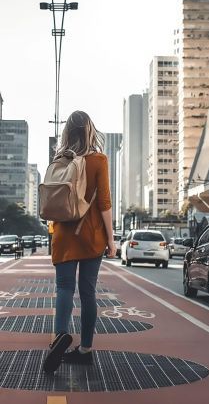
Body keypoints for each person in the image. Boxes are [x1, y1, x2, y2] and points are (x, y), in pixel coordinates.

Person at [42, 111, 116, 373]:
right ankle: (85, 350)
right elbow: (104, 203)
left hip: (63, 235)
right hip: (91, 236)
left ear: (67, 133)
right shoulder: (99, 160)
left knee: (63, 289)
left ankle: (59, 338)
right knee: (87, 293)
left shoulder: (59, 159)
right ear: (90, 131)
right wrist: (111, 238)